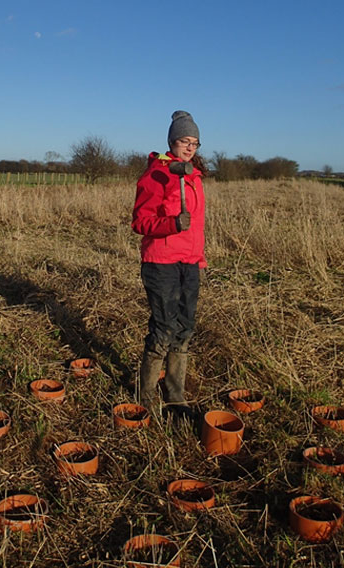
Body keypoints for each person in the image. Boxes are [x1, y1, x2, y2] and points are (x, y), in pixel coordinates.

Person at [131, 110, 206, 418]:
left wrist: (199, 259)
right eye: (184, 141)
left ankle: (175, 395)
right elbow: (140, 222)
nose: (189, 148)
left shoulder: (194, 177)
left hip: (189, 263)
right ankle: (145, 394)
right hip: (160, 262)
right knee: (164, 328)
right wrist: (172, 224)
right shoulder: (156, 175)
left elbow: (198, 225)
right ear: (171, 142)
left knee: (185, 327)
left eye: (195, 143)